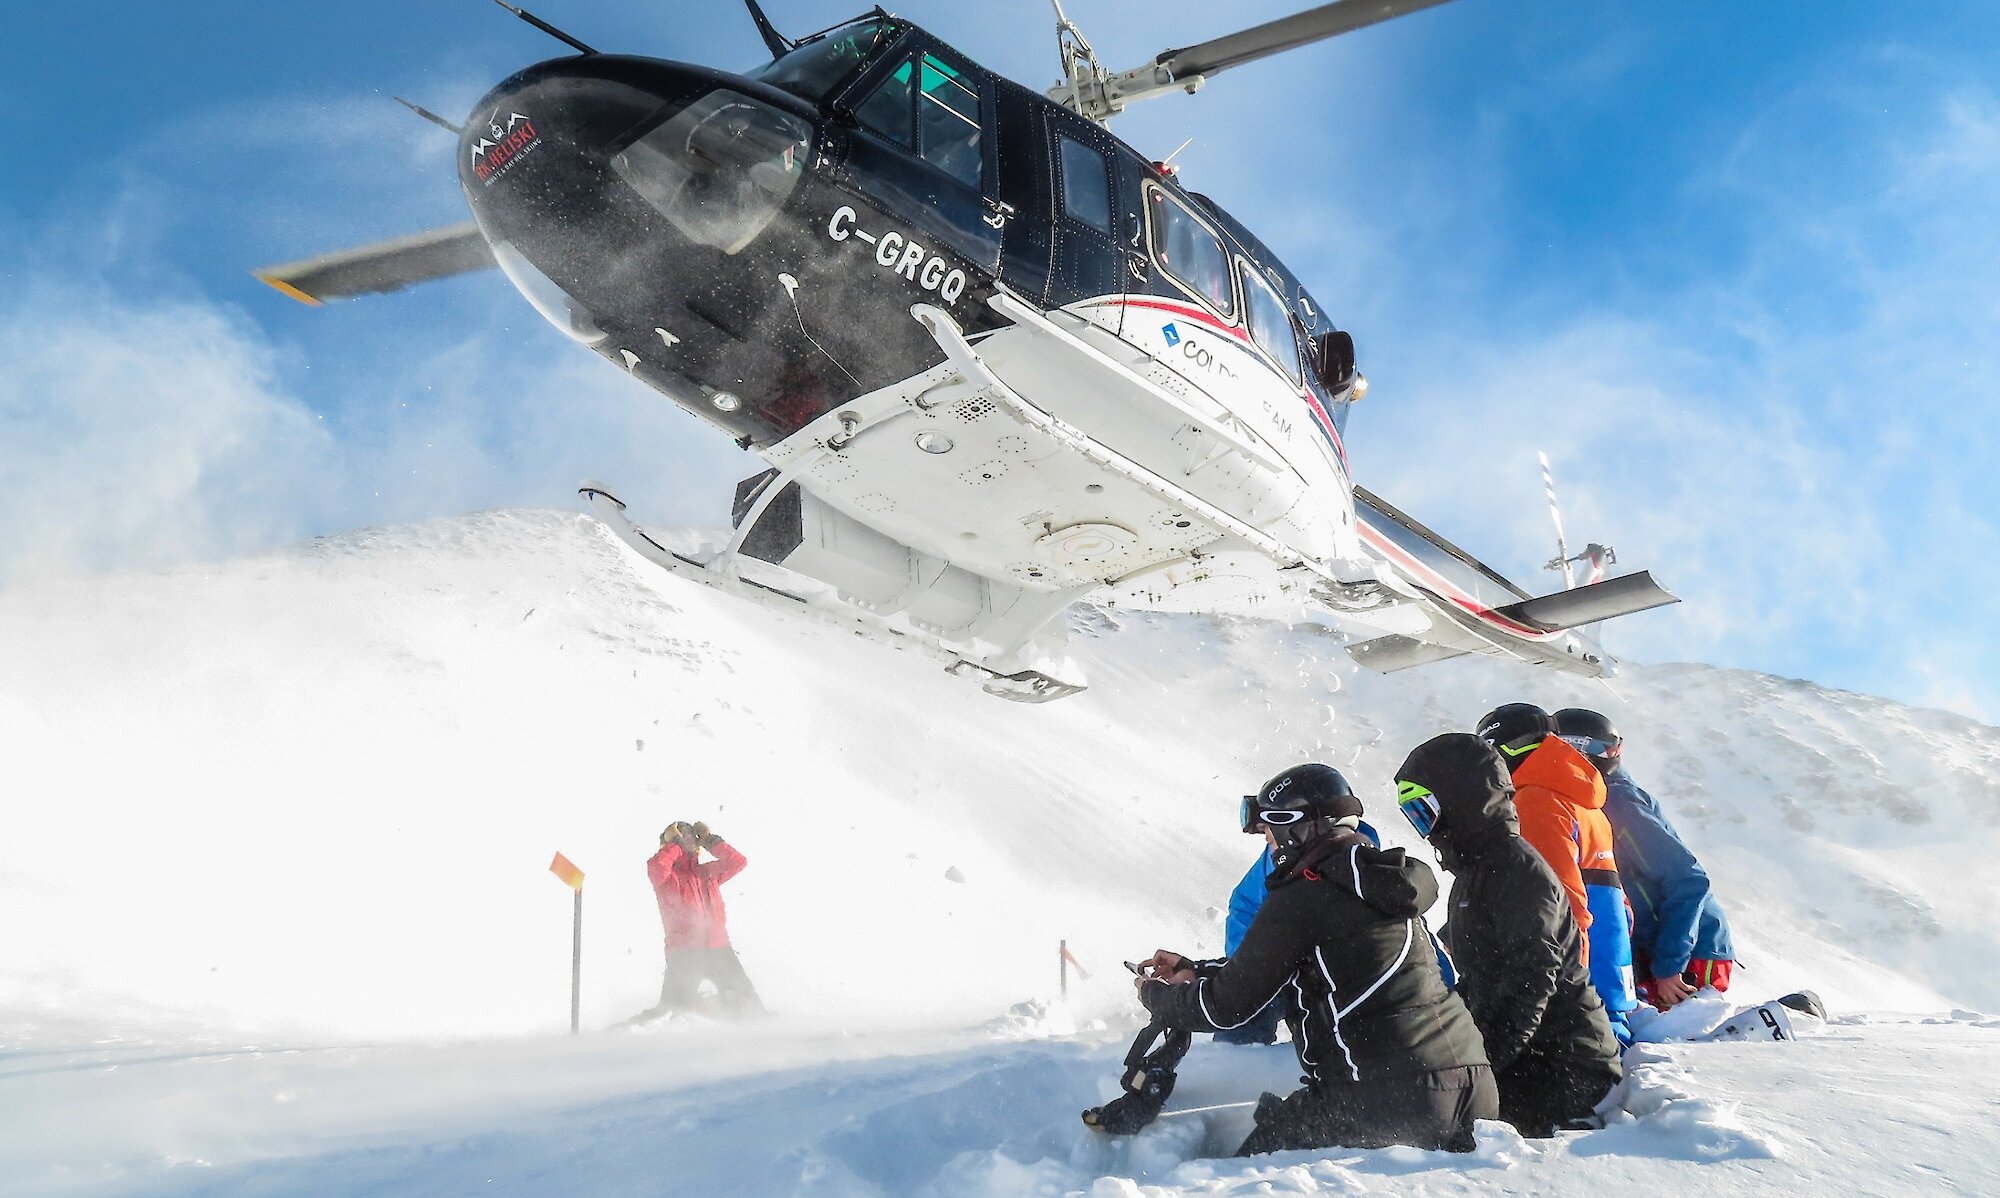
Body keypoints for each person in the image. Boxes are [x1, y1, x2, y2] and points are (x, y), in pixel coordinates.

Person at [1133, 764, 1496, 1155]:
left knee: (1243, 1171)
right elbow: (1304, 964)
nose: (1270, 848)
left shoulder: (1302, 897)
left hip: (1386, 1101)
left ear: (1296, 830)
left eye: (1271, 835)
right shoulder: (1384, 882)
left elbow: (1225, 1008)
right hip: (1476, 1089)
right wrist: (1198, 971)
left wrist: (1155, 996)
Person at [1394, 734, 1623, 1137]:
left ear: (1459, 799)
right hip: (1531, 1053)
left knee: (1431, 1125)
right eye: (1413, 816)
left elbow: (1534, 975)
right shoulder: (1476, 871)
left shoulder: (1515, 868)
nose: (1424, 830)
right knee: (1415, 1104)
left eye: (1424, 811)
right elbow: (1484, 981)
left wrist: (1482, 1060)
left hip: (1566, 1064)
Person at [1475, 703, 1639, 1044]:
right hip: (1607, 990)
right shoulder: (1585, 802)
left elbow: (1560, 906)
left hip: (1578, 1002)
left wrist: (1561, 997)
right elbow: (1620, 908)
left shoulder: (1537, 800)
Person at [1553, 709, 1736, 1010]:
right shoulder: (1588, 801)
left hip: (1691, 952)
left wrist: (1669, 966)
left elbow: (1688, 879)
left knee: (1675, 1041)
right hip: (1651, 950)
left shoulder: (1617, 802)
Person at [644, 820, 763, 1018]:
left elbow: (738, 862)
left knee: (748, 1003)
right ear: (671, 841)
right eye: (683, 835)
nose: (689, 838)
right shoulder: (666, 877)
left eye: (692, 834)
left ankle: (762, 1034)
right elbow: (657, 866)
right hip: (685, 954)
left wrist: (710, 841)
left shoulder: (707, 873)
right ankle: (633, 1041)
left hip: (719, 949)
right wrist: (676, 846)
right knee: (671, 1012)